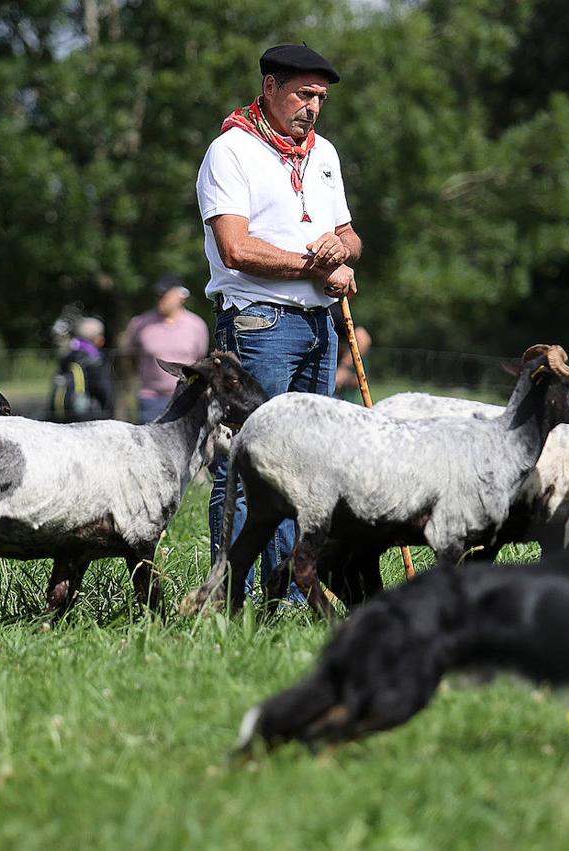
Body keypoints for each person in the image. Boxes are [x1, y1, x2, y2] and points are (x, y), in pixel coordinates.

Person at [197, 42, 362, 599]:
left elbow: (350, 236)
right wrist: (317, 269)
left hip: (319, 328)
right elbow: (235, 247)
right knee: (245, 468)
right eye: (303, 93)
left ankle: (292, 595)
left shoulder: (324, 154)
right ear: (270, 88)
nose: (313, 106)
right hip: (259, 324)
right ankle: (230, 597)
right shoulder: (231, 151)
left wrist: (340, 254)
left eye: (321, 96)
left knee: (310, 466)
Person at [125, 275, 211, 423]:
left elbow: (200, 360)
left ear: (181, 296)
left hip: (185, 396)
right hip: (150, 400)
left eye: (166, 294)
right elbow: (131, 358)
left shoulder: (197, 326)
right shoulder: (140, 324)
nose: (161, 298)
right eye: (158, 294)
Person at [49, 317, 115, 422]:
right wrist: (110, 414)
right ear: (98, 338)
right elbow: (103, 389)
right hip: (87, 416)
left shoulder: (67, 355)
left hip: (63, 415)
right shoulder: (94, 358)